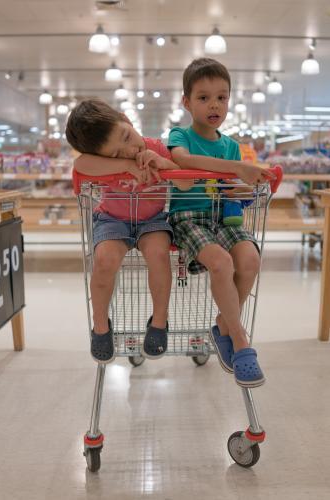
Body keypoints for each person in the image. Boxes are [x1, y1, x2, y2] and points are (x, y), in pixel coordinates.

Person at [166, 58, 276, 388]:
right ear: (186, 102)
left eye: (221, 97)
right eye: (203, 97)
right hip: (189, 219)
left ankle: (223, 324)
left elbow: (235, 190)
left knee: (251, 259)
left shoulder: (231, 146)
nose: (214, 104)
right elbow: (183, 162)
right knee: (222, 262)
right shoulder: (179, 135)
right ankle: (240, 339)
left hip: (224, 218)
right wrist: (234, 169)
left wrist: (250, 183)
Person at [66, 99, 192, 364]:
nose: (129, 149)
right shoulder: (98, 161)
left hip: (152, 220)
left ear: (126, 119)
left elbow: (185, 182)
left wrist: (163, 164)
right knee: (104, 261)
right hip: (113, 220)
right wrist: (125, 166)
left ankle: (159, 322)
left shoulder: (157, 147)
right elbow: (81, 165)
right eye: (115, 153)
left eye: (126, 136)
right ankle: (100, 327)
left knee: (158, 255)